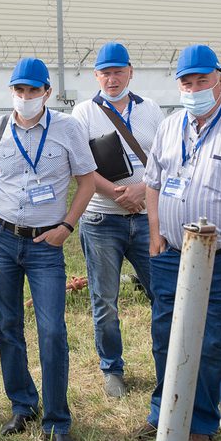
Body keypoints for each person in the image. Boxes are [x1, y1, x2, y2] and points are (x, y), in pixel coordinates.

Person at [135, 44, 221, 441]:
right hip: (171, 253)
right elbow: (153, 183)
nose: (193, 89)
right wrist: (155, 232)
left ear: (220, 81)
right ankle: (164, 412)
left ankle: (202, 423)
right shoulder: (170, 126)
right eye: (186, 82)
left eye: (201, 81)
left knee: (213, 342)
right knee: (164, 334)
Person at [0, 57, 97, 441]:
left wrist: (67, 225)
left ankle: (58, 421)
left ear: (46, 92)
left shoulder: (67, 129)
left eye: (32, 91)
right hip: (3, 239)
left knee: (52, 332)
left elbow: (87, 180)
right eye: (18, 91)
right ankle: (22, 405)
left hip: (47, 246)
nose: (25, 98)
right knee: (9, 326)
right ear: (12, 91)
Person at [71, 42, 163, 397]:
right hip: (101, 221)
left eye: (118, 71)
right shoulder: (83, 114)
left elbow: (163, 158)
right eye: (105, 73)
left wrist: (142, 189)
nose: (112, 78)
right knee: (105, 300)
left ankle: (165, 362)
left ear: (130, 72)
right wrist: (116, 194)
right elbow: (80, 166)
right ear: (96, 76)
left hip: (146, 218)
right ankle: (112, 368)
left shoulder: (150, 109)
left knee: (161, 293)